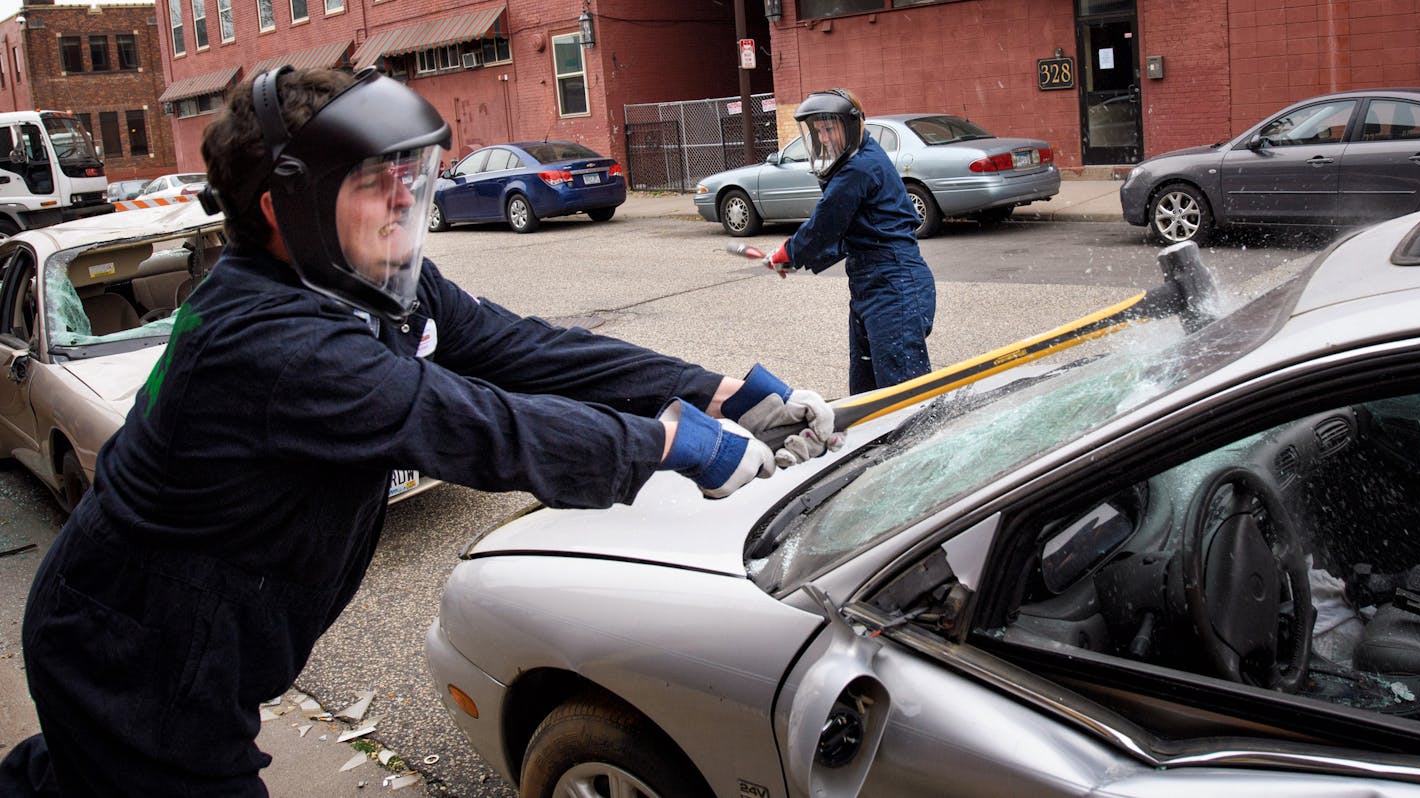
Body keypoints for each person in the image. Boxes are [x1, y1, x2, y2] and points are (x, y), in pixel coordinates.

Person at [0, 66, 840, 797]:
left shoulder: (369, 283)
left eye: (408, 171)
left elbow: (527, 351)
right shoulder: (266, 340)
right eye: (373, 180)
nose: (407, 195)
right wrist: (676, 447)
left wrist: (719, 391)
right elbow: (477, 425)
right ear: (282, 209)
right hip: (137, 655)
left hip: (202, 636)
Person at [764, 88, 937, 395]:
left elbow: (826, 223)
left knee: (903, 395)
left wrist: (788, 253)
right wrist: (793, 256)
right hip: (870, 284)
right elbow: (852, 232)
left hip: (894, 284)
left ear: (851, 125)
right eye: (818, 131)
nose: (824, 138)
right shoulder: (858, 158)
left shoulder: (860, 166)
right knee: (866, 390)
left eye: (829, 128)